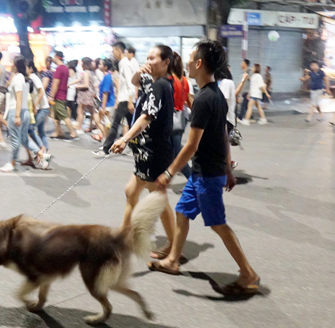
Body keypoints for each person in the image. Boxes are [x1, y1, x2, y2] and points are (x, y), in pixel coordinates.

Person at [149, 40, 260, 295]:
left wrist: (168, 172)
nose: (186, 62)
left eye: (190, 58)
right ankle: (173, 260)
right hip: (205, 171)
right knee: (183, 211)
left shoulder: (204, 99)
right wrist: (229, 169)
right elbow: (223, 133)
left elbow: (190, 145)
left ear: (198, 64)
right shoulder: (216, 95)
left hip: (207, 174)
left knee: (218, 224)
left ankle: (248, 273)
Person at [108, 45, 176, 250]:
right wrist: (140, 70)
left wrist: (124, 138)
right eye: (147, 57)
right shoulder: (152, 81)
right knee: (131, 191)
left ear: (166, 63)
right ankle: (124, 236)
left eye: (153, 58)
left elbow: (147, 117)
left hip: (155, 152)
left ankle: (174, 246)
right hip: (146, 151)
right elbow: (134, 81)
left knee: (159, 200)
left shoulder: (161, 86)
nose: (148, 61)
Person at [0, 57, 48, 173]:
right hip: (25, 112)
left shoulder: (18, 79)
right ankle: (41, 154)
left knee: (15, 140)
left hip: (17, 111)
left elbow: (19, 98)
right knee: (24, 139)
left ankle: (12, 163)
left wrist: (17, 116)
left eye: (12, 63)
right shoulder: (24, 78)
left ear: (15, 66)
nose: (11, 65)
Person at [95, 41, 135, 156]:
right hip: (126, 99)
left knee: (115, 124)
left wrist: (130, 101)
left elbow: (130, 83)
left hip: (126, 99)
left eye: (113, 51)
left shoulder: (125, 63)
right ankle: (136, 148)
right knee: (132, 126)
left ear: (118, 50)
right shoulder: (123, 63)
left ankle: (106, 149)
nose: (113, 54)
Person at [49, 51, 78, 140]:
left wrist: (51, 96)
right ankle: (57, 131)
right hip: (63, 94)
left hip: (58, 95)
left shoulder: (59, 69)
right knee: (57, 115)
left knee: (63, 115)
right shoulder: (65, 68)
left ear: (57, 57)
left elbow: (55, 83)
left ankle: (72, 132)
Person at [75, 57, 105, 136]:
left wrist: (77, 86)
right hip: (90, 94)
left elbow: (86, 84)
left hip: (85, 95)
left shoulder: (86, 73)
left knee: (81, 111)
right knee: (93, 113)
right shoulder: (90, 72)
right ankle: (100, 128)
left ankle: (79, 128)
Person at [27, 61, 51, 155]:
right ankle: (45, 151)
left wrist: (35, 106)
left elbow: (41, 92)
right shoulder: (29, 78)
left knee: (30, 129)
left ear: (30, 68)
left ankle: (42, 150)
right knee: (41, 131)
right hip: (41, 108)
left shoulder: (34, 78)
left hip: (42, 108)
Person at [93, 59, 116, 143]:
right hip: (106, 104)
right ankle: (106, 141)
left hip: (108, 104)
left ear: (105, 67)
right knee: (102, 122)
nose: (99, 65)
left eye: (100, 64)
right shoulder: (107, 76)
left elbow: (105, 93)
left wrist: (103, 107)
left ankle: (107, 142)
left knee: (106, 124)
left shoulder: (107, 77)